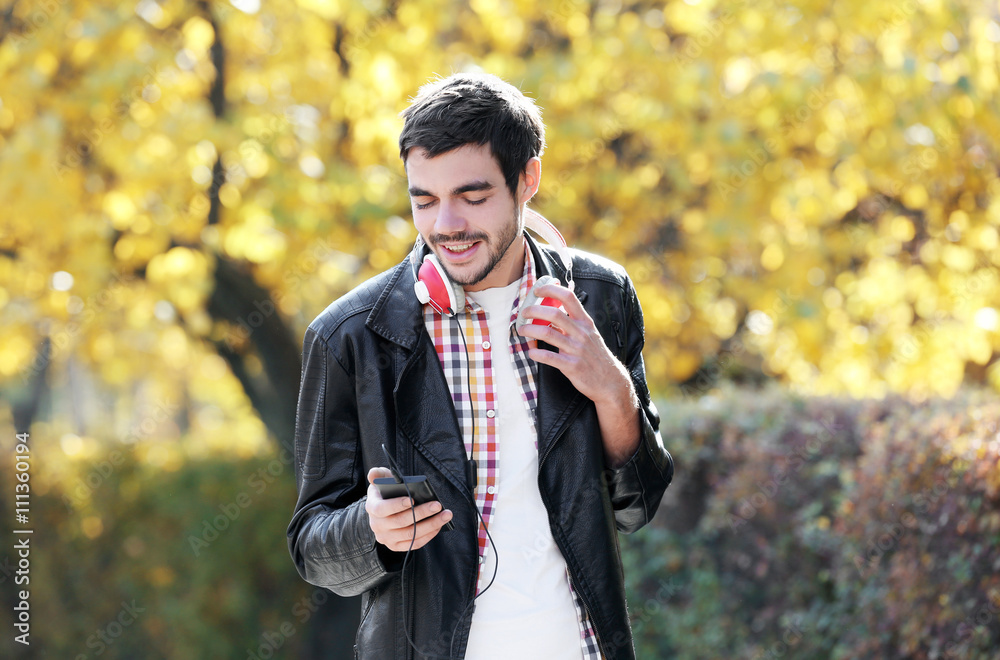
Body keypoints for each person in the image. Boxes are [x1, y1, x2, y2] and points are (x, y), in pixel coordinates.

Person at [287, 72, 673, 660]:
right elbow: (311, 546)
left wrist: (611, 390)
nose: (447, 224)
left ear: (528, 179)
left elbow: (638, 504)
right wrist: (371, 531)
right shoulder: (350, 337)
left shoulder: (601, 297)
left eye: (472, 197)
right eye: (424, 201)